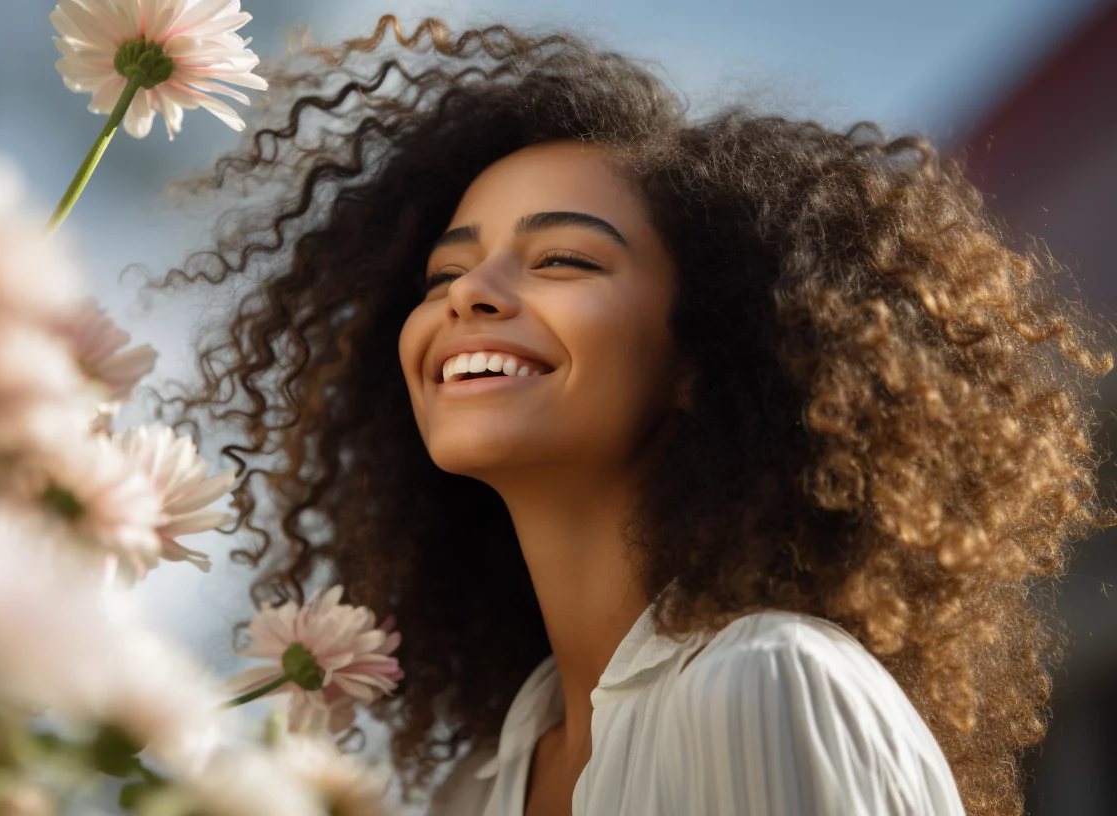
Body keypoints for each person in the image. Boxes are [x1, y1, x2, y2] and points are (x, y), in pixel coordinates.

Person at [146, 14, 1113, 816]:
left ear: (705, 353)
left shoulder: (770, 685)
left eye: (562, 258)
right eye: (445, 271)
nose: (468, 295)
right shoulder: (474, 789)